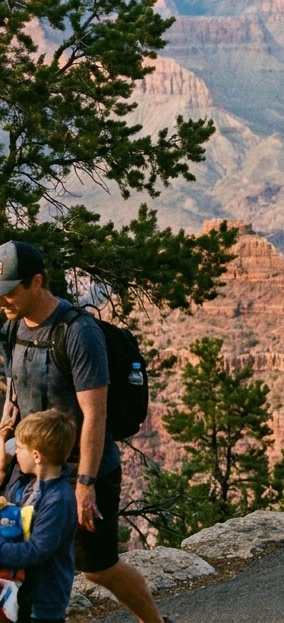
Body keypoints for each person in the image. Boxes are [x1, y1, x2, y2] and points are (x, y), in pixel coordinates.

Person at [0, 241, 164, 623]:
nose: (3, 301)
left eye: (9, 291)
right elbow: (12, 399)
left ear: (36, 282)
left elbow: (95, 415)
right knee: (17, 557)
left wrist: (85, 484)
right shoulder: (11, 330)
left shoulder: (78, 332)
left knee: (98, 566)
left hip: (81, 470)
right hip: (27, 467)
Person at [0, 410, 77, 623]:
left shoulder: (57, 500)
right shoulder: (25, 485)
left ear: (36, 456)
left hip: (42, 601)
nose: (16, 454)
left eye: (20, 448)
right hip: (20, 593)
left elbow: (37, 550)